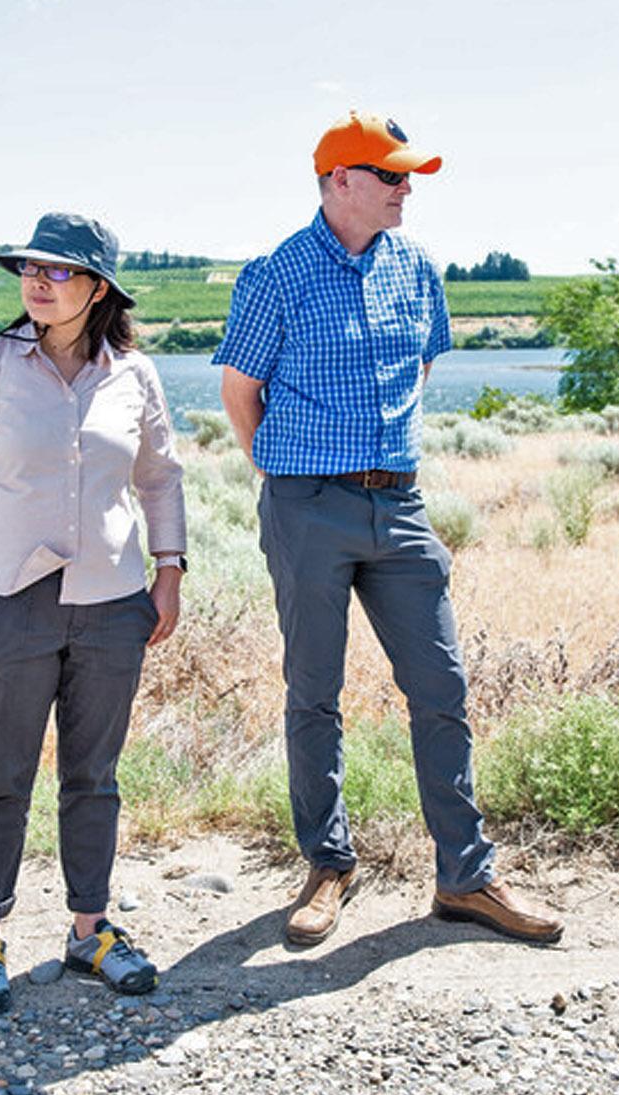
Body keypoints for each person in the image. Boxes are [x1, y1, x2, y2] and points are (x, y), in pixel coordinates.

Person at [213, 110, 564, 947]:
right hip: (308, 505)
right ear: (341, 181)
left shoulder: (418, 270)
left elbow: (422, 362)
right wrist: (288, 477)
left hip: (400, 506)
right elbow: (240, 392)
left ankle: (466, 879)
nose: (409, 189)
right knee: (315, 694)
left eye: (410, 176)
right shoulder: (276, 276)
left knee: (441, 687)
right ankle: (329, 865)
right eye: (392, 175)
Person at [0, 211, 186, 1015]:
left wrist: (169, 570)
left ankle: (90, 930)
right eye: (30, 269)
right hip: (11, 603)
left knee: (94, 777)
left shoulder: (133, 376)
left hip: (114, 606)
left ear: (98, 288)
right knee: (0, 776)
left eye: (59, 270)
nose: (37, 281)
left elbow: (161, 477)